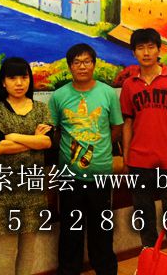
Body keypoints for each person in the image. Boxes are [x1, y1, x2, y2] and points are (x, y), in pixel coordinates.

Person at [49, 43, 123, 275]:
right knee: (70, 230)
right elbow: (55, 131)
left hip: (101, 174)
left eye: (87, 61)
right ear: (70, 66)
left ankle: (105, 270)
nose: (82, 66)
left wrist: (100, 147)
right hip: (69, 176)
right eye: (77, 62)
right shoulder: (58, 96)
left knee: (102, 229)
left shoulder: (108, 93)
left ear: (94, 64)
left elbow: (116, 128)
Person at [120, 28, 167, 251]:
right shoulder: (129, 85)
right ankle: (150, 261)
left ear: (159, 50)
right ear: (134, 52)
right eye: (140, 48)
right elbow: (128, 124)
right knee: (145, 220)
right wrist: (126, 159)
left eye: (151, 47)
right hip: (139, 162)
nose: (146, 52)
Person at [0, 57, 53, 275]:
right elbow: (0, 147)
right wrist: (33, 139)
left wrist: (13, 136)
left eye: (24, 77)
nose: (19, 83)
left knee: (28, 248)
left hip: (33, 188)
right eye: (12, 78)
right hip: (5, 190)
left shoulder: (41, 109)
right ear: (3, 82)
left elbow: (47, 142)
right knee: (7, 250)